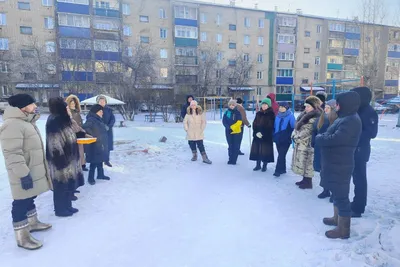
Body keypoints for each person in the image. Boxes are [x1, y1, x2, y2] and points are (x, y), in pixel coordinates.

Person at [0, 94, 52, 250]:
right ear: (22, 107)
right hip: (23, 172)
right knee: (21, 202)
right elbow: (12, 153)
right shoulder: (13, 124)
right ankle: (22, 237)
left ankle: (32, 223)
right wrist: (23, 174)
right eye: (32, 103)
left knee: (30, 196)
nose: (35, 105)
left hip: (31, 169)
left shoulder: (26, 121)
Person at [316, 91, 362, 239]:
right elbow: (331, 135)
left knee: (341, 196)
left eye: (338, 104)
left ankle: (343, 229)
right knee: (336, 191)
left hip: (342, 163)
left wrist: (320, 138)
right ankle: (337, 219)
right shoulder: (345, 117)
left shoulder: (351, 121)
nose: (336, 106)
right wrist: (323, 137)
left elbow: (335, 139)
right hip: (336, 162)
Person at [46, 97, 85, 217]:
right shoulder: (54, 121)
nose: (68, 108)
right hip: (61, 160)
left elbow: (74, 131)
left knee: (68, 184)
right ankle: (60, 209)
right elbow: (54, 143)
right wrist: (60, 161)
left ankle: (68, 206)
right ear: (61, 108)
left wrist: (76, 129)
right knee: (61, 186)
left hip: (70, 158)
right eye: (66, 107)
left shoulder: (64, 119)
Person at [350, 87, 379, 218]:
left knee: (360, 179)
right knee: (356, 178)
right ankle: (356, 203)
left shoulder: (369, 112)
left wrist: (353, 135)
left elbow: (372, 133)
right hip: (353, 148)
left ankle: (358, 207)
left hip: (361, 150)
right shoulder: (357, 110)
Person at [292, 96, 322, 189]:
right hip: (302, 144)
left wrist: (296, 137)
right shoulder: (304, 116)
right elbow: (296, 127)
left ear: (314, 107)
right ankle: (304, 180)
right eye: (306, 106)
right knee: (303, 163)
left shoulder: (314, 118)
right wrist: (294, 134)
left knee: (308, 163)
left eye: (308, 106)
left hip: (308, 144)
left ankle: (308, 182)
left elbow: (307, 131)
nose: (306, 108)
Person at [313, 99, 339, 200]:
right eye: (325, 108)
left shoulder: (336, 120)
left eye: (328, 108)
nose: (326, 109)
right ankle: (325, 190)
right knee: (322, 170)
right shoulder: (321, 118)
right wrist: (314, 140)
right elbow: (315, 130)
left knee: (331, 171)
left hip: (330, 149)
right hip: (320, 148)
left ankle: (334, 192)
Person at [83, 104, 110, 185]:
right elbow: (85, 128)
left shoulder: (98, 119)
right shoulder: (91, 119)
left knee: (100, 160)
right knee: (94, 162)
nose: (102, 113)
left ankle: (100, 175)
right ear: (96, 111)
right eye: (101, 111)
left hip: (100, 144)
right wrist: (94, 136)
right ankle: (90, 178)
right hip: (94, 145)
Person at [250, 98, 275, 172]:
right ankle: (258, 165)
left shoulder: (271, 114)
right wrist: (256, 132)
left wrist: (263, 133)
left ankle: (264, 165)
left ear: (269, 105)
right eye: (263, 105)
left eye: (265, 105)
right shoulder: (258, 113)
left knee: (265, 151)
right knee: (257, 150)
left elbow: (270, 125)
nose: (264, 106)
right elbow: (254, 123)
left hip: (266, 136)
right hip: (257, 135)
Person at [183, 100, 212, 164]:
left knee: (200, 145)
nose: (193, 106)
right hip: (190, 131)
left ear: (196, 105)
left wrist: (201, 129)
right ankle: (194, 155)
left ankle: (205, 158)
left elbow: (204, 122)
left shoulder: (200, 113)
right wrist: (187, 129)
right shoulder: (188, 113)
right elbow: (185, 122)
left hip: (199, 131)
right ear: (190, 106)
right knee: (191, 144)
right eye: (192, 105)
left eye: (194, 105)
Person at [273, 102, 296, 177]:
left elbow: (294, 127)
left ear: (286, 108)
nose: (281, 108)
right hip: (277, 138)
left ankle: (277, 170)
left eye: (283, 107)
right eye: (280, 107)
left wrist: (288, 134)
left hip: (286, 139)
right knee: (281, 154)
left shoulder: (290, 116)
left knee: (281, 155)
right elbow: (274, 126)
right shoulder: (277, 116)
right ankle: (283, 169)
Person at [66, 94, 87, 171]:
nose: (73, 104)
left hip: (79, 133)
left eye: (74, 103)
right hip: (72, 134)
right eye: (71, 103)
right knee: (73, 151)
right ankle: (76, 166)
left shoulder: (76, 111)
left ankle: (82, 164)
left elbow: (79, 122)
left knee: (81, 149)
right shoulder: (68, 113)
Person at [97, 95, 115, 168]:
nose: (102, 102)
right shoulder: (95, 109)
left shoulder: (109, 110)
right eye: (100, 101)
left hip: (108, 130)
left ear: (105, 102)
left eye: (103, 101)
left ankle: (106, 160)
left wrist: (108, 126)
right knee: (99, 146)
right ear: (98, 102)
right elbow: (91, 118)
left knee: (107, 146)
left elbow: (112, 119)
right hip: (98, 131)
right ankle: (99, 160)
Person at [223, 99, 243, 165]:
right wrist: (228, 127)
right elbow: (224, 121)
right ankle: (230, 159)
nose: (231, 106)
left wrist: (232, 127)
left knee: (235, 146)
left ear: (235, 105)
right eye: (230, 105)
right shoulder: (227, 112)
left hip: (236, 132)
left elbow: (239, 122)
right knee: (230, 145)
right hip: (228, 131)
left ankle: (234, 160)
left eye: (233, 105)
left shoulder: (237, 112)